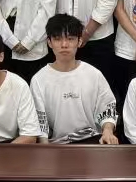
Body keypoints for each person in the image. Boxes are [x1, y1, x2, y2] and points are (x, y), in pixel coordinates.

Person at [30, 14, 119, 145]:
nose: (64, 45)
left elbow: (107, 108)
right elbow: (40, 123)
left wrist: (108, 131)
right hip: (56, 145)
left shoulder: (94, 74)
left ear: (79, 41)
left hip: (92, 141)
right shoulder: (39, 79)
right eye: (57, 39)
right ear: (49, 42)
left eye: (70, 39)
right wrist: (45, 149)